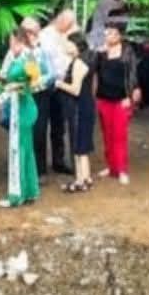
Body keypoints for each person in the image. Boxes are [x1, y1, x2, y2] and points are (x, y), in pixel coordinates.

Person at [0, 24, 44, 209]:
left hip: (22, 109)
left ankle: (17, 195)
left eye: (11, 41)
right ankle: (30, 190)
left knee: (18, 150)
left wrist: (18, 86)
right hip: (19, 107)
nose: (10, 45)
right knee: (25, 150)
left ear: (18, 41)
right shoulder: (21, 57)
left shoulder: (26, 57)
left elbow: (35, 81)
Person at [93, 23, 136, 184]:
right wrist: (97, 53)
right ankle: (111, 166)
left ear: (119, 36)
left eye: (112, 33)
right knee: (107, 135)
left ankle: (122, 169)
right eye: (107, 33)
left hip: (121, 99)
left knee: (119, 135)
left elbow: (132, 74)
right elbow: (91, 69)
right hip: (103, 98)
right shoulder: (101, 53)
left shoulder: (127, 51)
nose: (108, 36)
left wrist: (129, 95)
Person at [36, 7, 76, 175]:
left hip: (62, 84)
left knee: (59, 124)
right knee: (41, 124)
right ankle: (40, 166)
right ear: (60, 20)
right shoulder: (45, 35)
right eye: (68, 23)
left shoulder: (67, 34)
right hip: (46, 84)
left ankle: (58, 161)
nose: (69, 27)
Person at [60, 30, 97, 192]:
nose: (66, 46)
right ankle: (86, 177)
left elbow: (75, 89)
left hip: (78, 107)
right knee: (83, 143)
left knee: (78, 144)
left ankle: (80, 180)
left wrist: (59, 84)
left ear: (76, 45)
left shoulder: (78, 63)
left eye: (69, 43)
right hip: (86, 105)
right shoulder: (87, 59)